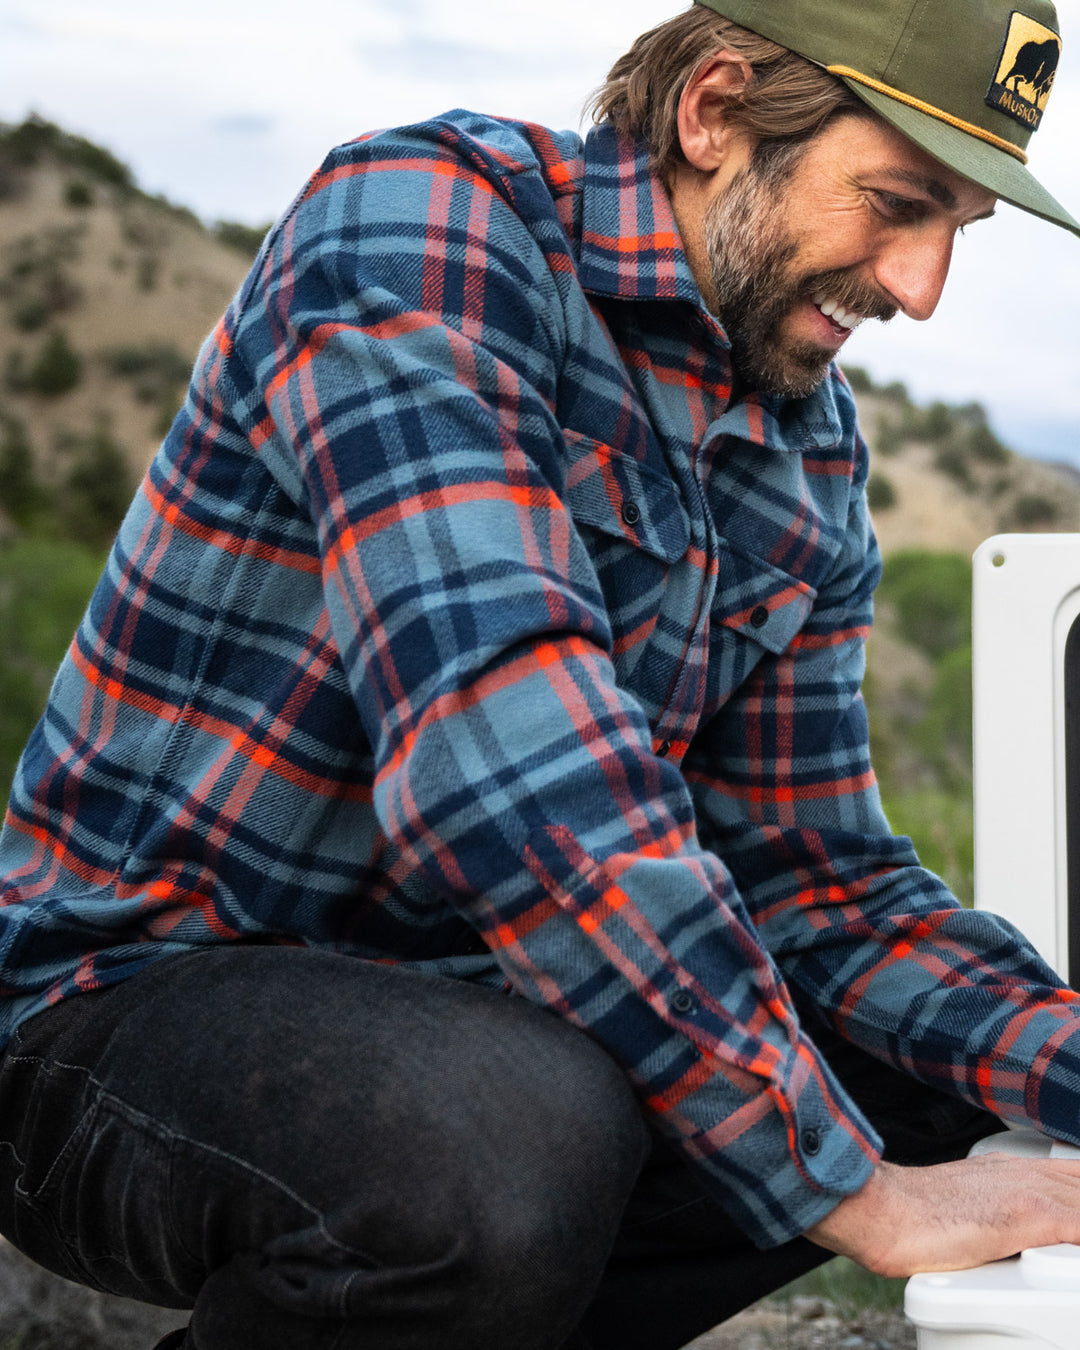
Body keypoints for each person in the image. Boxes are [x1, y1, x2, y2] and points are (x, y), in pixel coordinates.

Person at [1, 0, 1079, 1346]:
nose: (920, 287)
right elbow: (505, 764)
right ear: (715, 111)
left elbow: (825, 888)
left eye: (957, 233)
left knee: (927, 1060)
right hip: (121, 1013)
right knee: (512, 1143)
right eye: (897, 202)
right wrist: (854, 1190)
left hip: (492, 1007)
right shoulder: (419, 228)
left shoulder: (809, 450)